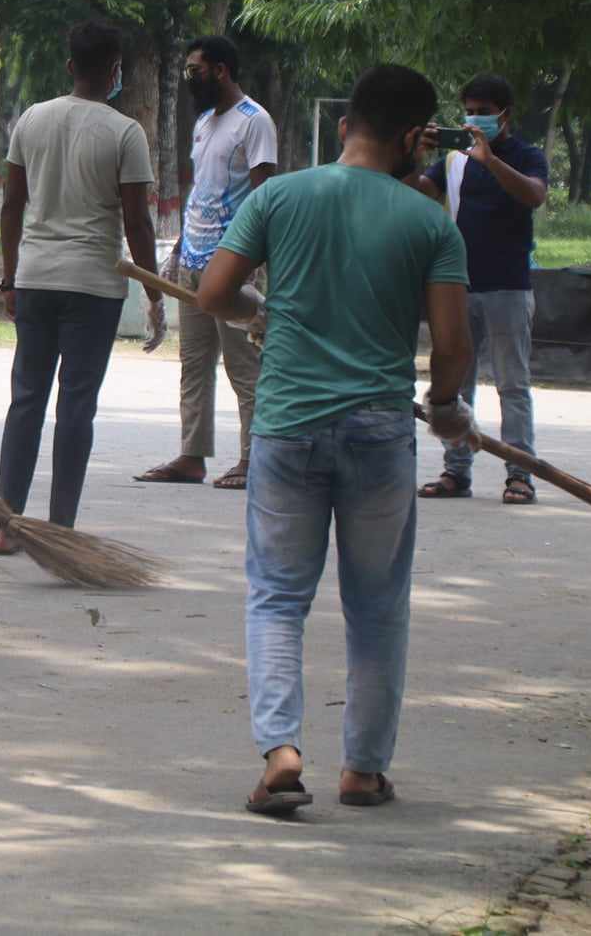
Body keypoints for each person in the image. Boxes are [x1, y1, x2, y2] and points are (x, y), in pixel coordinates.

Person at [197, 62, 473, 816]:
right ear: (414, 137)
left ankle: (282, 751)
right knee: (378, 603)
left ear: (347, 123)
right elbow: (452, 342)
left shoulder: (280, 196)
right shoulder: (429, 223)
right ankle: (363, 769)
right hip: (381, 431)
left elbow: (214, 292)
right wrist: (446, 407)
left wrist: (264, 310)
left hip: (286, 426)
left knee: (278, 597)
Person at [0, 21, 162, 551]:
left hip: (37, 278)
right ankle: (60, 531)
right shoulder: (125, 132)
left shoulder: (32, 120)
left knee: (26, 401)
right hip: (94, 286)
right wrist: (155, 292)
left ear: (70, 66)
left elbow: (13, 206)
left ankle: (7, 526)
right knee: (76, 407)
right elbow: (137, 221)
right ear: (115, 71)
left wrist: (9, 276)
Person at [135, 35, 277, 490]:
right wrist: (178, 250)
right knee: (193, 363)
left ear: (221, 70)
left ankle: (255, 459)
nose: (189, 78)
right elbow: (203, 191)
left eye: (196, 70)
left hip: (231, 264)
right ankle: (191, 457)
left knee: (243, 365)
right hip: (194, 259)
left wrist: (252, 261)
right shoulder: (203, 124)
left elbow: (263, 196)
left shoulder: (255, 122)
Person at [409, 73, 549, 505]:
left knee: (512, 383)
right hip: (457, 285)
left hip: (508, 285)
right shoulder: (453, 160)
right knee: (454, 383)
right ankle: (456, 471)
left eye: (483, 112)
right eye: (468, 110)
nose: (473, 119)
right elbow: (417, 192)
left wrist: (489, 160)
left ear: (505, 115)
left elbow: (534, 196)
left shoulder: (526, 156)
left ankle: (519, 472)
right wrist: (413, 154)